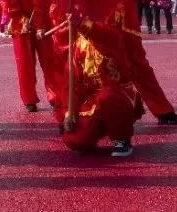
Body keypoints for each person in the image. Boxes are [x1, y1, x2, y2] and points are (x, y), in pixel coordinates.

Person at [59, 12, 143, 158]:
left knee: (108, 97)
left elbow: (105, 35)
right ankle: (100, 126)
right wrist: (69, 113)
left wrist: (81, 21)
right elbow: (71, 86)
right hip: (93, 102)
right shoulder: (77, 47)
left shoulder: (110, 38)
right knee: (74, 141)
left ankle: (122, 138)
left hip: (118, 94)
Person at [3, 0, 63, 114]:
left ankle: (55, 96)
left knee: (50, 61)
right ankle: (29, 98)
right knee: (24, 64)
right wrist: (18, 15)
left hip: (44, 20)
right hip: (20, 22)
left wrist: (41, 22)